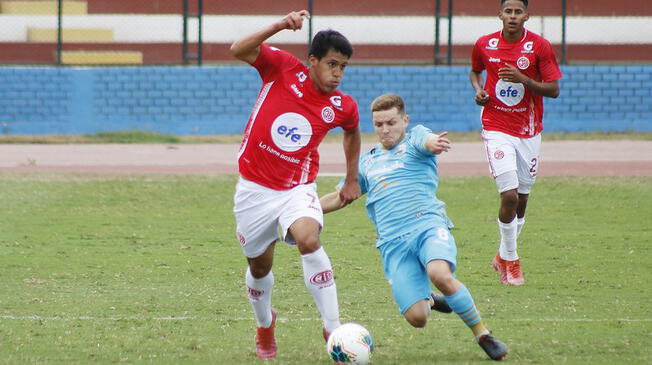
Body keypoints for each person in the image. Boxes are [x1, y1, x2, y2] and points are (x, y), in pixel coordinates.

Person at [320, 94, 508, 361]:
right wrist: (307, 210)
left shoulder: (415, 139)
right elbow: (342, 196)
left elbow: (427, 140)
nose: (385, 129)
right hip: (393, 244)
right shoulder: (367, 162)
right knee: (418, 318)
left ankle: (483, 335)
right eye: (379, 124)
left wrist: (434, 143)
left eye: (391, 122)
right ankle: (429, 300)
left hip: (427, 226)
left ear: (405, 121)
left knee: (439, 273)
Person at [230, 10, 362, 360]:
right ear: (313, 61)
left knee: (308, 237)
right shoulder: (282, 68)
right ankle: (265, 324)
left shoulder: (342, 105)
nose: (337, 73)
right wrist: (278, 25)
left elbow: (352, 130)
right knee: (259, 268)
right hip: (254, 190)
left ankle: (332, 329)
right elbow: (238, 49)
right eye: (332, 64)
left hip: (297, 188)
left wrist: (351, 178)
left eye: (343, 67)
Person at [469, 0, 562, 286]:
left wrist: (524, 79)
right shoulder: (485, 44)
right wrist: (479, 90)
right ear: (500, 15)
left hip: (529, 131)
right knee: (508, 196)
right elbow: (475, 71)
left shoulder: (539, 47)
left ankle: (501, 256)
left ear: (526, 16)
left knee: (521, 200)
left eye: (517, 12)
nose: (512, 16)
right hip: (496, 127)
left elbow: (554, 89)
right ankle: (512, 262)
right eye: (507, 11)